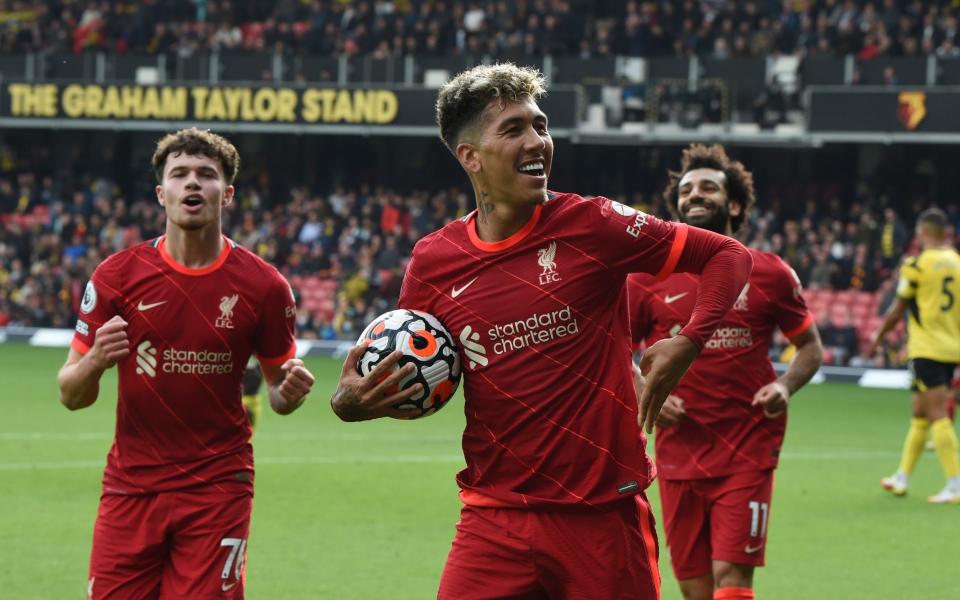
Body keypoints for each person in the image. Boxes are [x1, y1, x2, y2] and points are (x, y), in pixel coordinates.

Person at [329, 63, 753, 599]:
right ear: (470, 157)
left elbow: (727, 255)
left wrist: (689, 340)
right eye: (513, 130)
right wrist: (354, 401)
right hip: (494, 518)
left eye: (541, 125)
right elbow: (416, 365)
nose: (538, 142)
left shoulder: (594, 225)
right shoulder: (434, 262)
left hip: (603, 516)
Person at [57, 128, 315, 598]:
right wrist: (95, 359)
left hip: (218, 486)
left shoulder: (265, 286)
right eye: (179, 174)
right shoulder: (116, 277)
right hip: (131, 487)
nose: (192, 183)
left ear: (227, 193)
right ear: (161, 193)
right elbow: (70, 393)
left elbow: (278, 395)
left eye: (206, 175)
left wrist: (290, 390)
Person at [628, 144, 823, 600]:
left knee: (732, 582)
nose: (695, 195)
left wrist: (784, 384)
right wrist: (644, 387)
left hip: (747, 449)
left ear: (733, 204)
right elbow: (615, 347)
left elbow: (810, 348)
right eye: (687, 189)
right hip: (678, 454)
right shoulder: (645, 279)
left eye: (708, 187)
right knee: (695, 589)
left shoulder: (770, 273)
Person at [869, 207, 960, 504]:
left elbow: (898, 309)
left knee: (935, 414)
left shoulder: (917, 265)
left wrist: (879, 337)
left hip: (926, 349)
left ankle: (955, 483)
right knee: (919, 414)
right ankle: (902, 477)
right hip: (950, 347)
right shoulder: (957, 263)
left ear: (922, 233)